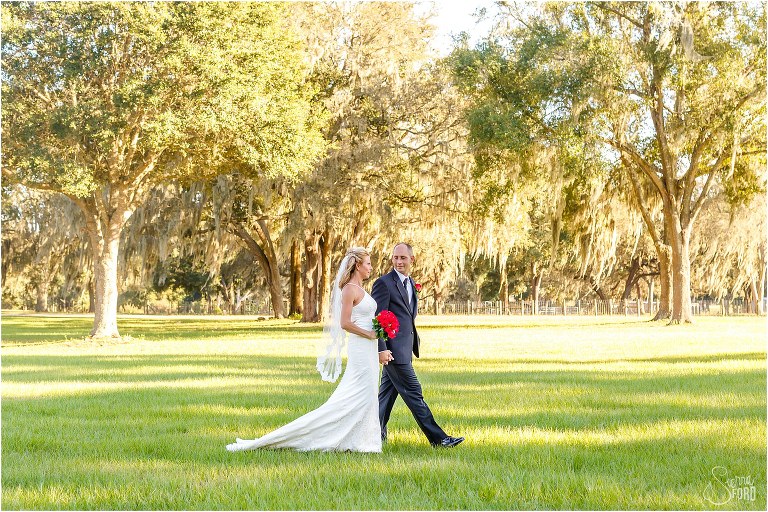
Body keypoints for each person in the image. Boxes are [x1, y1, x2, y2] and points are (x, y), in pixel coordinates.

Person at [226, 247, 382, 453]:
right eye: (368, 264)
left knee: (367, 394)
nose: (371, 267)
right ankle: (350, 440)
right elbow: (344, 323)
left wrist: (378, 336)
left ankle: (361, 440)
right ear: (357, 265)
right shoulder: (349, 290)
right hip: (361, 347)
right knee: (358, 393)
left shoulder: (361, 290)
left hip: (369, 348)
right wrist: (369, 334)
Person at [371, 242, 465, 448]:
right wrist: (382, 348)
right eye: (395, 257)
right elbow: (377, 319)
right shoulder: (384, 283)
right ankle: (439, 439)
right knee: (414, 393)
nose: (398, 261)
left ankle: (373, 434)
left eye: (403, 258)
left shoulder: (411, 283)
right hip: (393, 352)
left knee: (386, 396)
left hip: (405, 349)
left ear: (412, 260)